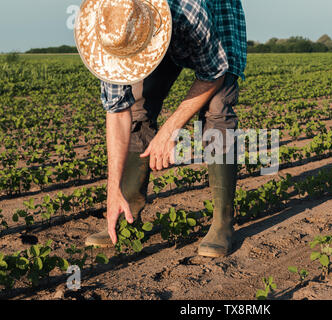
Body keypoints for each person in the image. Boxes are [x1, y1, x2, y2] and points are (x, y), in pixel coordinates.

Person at [75, 0, 247, 257]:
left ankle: (223, 221)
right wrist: (112, 191)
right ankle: (127, 212)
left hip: (217, 18)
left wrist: (170, 130)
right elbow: (117, 111)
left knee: (217, 110)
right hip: (152, 30)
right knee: (137, 108)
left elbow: (214, 74)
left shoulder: (189, 12)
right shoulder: (107, 31)